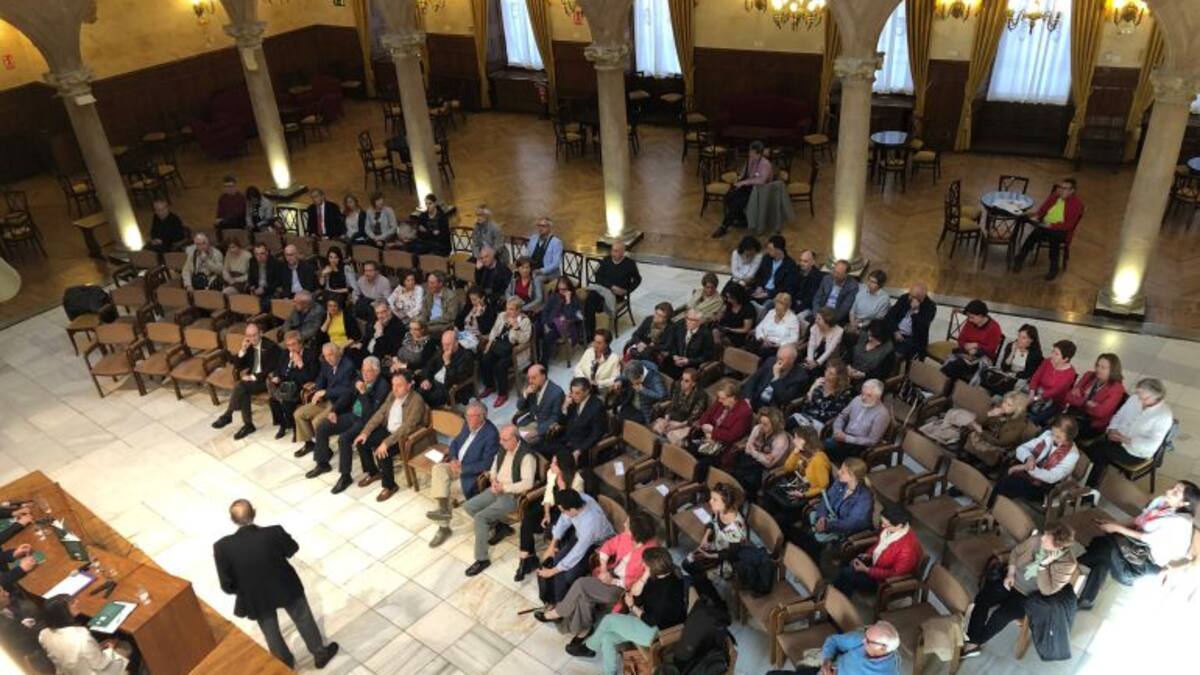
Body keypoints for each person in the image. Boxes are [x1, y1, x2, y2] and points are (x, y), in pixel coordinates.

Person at [213, 499, 338, 670]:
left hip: (255, 595)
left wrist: (245, 588)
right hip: (285, 585)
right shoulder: (274, 532)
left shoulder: (222, 547)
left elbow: (227, 584)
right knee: (302, 617)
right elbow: (292, 549)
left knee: (270, 631)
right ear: (254, 513)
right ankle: (320, 654)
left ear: (233, 520)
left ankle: (283, 664)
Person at [536, 512, 659, 646]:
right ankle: (584, 629)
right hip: (609, 574)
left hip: (621, 589)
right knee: (584, 597)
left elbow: (637, 583)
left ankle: (558, 612)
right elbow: (607, 547)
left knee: (581, 584)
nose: (624, 524)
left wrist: (612, 581)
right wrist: (604, 568)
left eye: (628, 524)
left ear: (636, 533)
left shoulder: (650, 553)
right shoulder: (626, 537)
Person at [1076, 481, 1198, 609]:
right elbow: (1139, 520)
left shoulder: (1179, 523)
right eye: (1173, 486)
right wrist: (1115, 524)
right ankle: (1086, 598)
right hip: (1133, 545)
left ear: (1184, 503)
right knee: (1103, 549)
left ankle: (1076, 565)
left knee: (1105, 547)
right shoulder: (1162, 501)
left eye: (1176, 492)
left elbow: (1145, 538)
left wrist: (1117, 528)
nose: (1170, 490)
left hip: (1141, 562)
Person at [961, 525, 1078, 659]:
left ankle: (975, 641)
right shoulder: (1036, 540)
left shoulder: (1067, 564)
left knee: (1001, 616)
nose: (1042, 538)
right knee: (983, 598)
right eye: (1044, 534)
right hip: (1012, 580)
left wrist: (1043, 566)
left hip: (1029, 596)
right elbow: (1016, 552)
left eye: (1047, 538)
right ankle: (972, 640)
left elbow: (1047, 590)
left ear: (1057, 546)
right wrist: (1010, 574)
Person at [583, 547, 688, 671]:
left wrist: (632, 606)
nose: (642, 564)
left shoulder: (666, 594)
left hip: (656, 632)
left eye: (645, 563)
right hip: (649, 621)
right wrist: (645, 576)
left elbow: (651, 620)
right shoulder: (659, 576)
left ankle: (588, 647)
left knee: (608, 620)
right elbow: (636, 593)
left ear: (652, 567)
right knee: (607, 638)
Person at [463, 424, 540, 576]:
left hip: (512, 496)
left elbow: (527, 483)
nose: (501, 442)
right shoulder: (503, 449)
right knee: (469, 506)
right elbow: (494, 468)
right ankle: (500, 527)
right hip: (496, 489)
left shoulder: (527, 456)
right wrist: (493, 480)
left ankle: (482, 559)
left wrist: (504, 488)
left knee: (480, 517)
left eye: (504, 440)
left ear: (515, 439)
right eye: (500, 439)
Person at [425, 402, 501, 546]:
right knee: (438, 470)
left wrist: (463, 469)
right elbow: (455, 443)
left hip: (471, 474)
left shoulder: (491, 434)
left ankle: (443, 526)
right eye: (467, 416)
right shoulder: (467, 425)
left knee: (443, 487)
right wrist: (453, 459)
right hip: (457, 465)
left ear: (482, 416)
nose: (468, 419)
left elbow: (486, 464)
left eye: (472, 417)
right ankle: (443, 512)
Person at [353, 371, 429, 501]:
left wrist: (386, 443)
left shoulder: (416, 401)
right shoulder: (392, 395)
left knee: (383, 452)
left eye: (399, 385)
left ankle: (390, 486)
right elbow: (380, 414)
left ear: (409, 385)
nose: (395, 388)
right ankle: (374, 473)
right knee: (362, 443)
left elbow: (408, 427)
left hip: (404, 437)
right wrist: (365, 432)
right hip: (388, 430)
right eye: (393, 385)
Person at [1084, 377, 1174, 487]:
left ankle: (1090, 485)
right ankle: (1090, 481)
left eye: (1143, 397)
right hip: (1118, 438)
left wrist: (1125, 439)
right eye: (1138, 394)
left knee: (1099, 451)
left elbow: (1151, 445)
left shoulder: (1164, 416)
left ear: (1156, 397)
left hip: (1135, 451)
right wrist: (1112, 429)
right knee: (1096, 448)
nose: (1139, 399)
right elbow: (1119, 415)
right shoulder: (1135, 398)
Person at [318, 356, 390, 490]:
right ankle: (322, 463)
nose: (364, 374)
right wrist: (334, 410)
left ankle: (345, 476)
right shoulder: (361, 379)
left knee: (343, 439)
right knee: (323, 426)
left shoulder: (383, 386)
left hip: (365, 421)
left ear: (377, 371)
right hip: (352, 415)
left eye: (368, 371)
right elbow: (347, 395)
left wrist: (363, 392)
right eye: (363, 370)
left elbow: (372, 413)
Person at [535, 490, 616, 608]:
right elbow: (563, 520)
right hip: (580, 536)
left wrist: (552, 571)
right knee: (556, 561)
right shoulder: (578, 499)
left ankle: (560, 605)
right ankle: (555, 600)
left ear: (572, 510)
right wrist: (552, 546)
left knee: (566, 574)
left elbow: (577, 553)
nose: (562, 513)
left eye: (564, 511)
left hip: (597, 545)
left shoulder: (590, 525)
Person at [515, 452, 586, 576]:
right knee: (528, 518)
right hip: (552, 506)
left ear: (562, 467)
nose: (551, 466)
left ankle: (547, 556)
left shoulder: (577, 480)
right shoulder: (552, 473)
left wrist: (563, 487)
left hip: (566, 512)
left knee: (552, 527)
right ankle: (525, 557)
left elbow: (570, 507)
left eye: (554, 463)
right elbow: (548, 494)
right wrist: (546, 513)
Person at [833, 504, 922, 597]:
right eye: (882, 522)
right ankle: (837, 592)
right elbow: (879, 545)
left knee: (848, 574)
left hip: (883, 581)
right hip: (877, 564)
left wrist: (867, 570)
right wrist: (868, 554)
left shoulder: (907, 549)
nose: (882, 526)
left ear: (899, 525)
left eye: (886, 524)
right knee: (848, 563)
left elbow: (894, 574)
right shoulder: (891, 529)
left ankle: (838, 598)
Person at [991, 416, 1080, 507]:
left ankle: (992, 506)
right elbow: (1022, 448)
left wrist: (1026, 467)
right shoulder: (1048, 434)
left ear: (1069, 439)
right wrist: (1029, 458)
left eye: (1058, 437)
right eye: (1053, 433)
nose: (1053, 438)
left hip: (1042, 485)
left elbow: (1051, 477)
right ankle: (994, 504)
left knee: (1011, 482)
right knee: (1006, 467)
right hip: (1030, 470)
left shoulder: (1072, 455)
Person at [212, 323, 282, 439]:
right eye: (249, 336)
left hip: (266, 381)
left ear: (261, 333)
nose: (252, 338)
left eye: (254, 335)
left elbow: (272, 369)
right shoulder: (249, 346)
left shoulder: (271, 347)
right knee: (243, 389)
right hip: (251, 380)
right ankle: (248, 425)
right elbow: (238, 366)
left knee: (241, 386)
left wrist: (253, 377)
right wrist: (243, 350)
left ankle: (229, 415)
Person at [794, 458, 874, 559]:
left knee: (812, 543)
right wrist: (822, 517)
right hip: (832, 520)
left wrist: (827, 526)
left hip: (848, 532)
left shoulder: (864, 498)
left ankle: (809, 564)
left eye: (843, 471)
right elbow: (826, 499)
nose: (838, 472)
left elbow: (851, 524)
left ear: (853, 476)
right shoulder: (840, 483)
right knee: (804, 534)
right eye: (840, 468)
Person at [37, 595, 130, 675]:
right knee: (126, 646)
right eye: (72, 603)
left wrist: (98, 647)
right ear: (63, 613)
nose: (77, 602)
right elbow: (100, 664)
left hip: (69, 671)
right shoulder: (81, 637)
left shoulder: (43, 634)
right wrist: (110, 649)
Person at [293, 342, 357, 457]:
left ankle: (324, 450)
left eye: (331, 354)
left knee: (317, 421)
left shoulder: (348, 366)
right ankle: (309, 444)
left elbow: (347, 390)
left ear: (338, 353)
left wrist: (326, 392)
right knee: (299, 414)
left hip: (339, 403)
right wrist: (318, 392)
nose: (328, 358)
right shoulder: (325, 364)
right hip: (325, 400)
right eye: (325, 356)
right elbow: (320, 379)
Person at [682, 483, 747, 597]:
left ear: (725, 503)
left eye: (714, 499)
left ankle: (713, 598)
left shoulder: (736, 528)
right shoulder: (720, 511)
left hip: (727, 561)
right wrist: (705, 537)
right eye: (711, 498)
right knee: (687, 563)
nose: (710, 501)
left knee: (695, 574)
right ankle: (703, 588)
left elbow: (732, 555)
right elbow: (712, 522)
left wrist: (708, 556)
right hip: (716, 547)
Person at [765, 621, 901, 675]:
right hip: (823, 669)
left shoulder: (887, 672)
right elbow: (834, 640)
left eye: (869, 640)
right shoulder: (861, 640)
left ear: (883, 648)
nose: (863, 640)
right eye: (866, 635)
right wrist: (826, 660)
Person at [1014, 178, 1084, 281]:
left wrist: (1051, 226)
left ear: (1072, 191)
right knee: (1032, 230)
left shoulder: (1076, 204)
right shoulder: (1055, 196)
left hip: (1061, 231)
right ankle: (1020, 258)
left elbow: (1069, 225)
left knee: (1052, 237)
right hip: (1045, 225)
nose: (1061, 190)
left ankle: (1053, 268)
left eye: (1065, 188)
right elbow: (1043, 209)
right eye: (1060, 187)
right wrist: (1037, 216)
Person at [761, 426, 832, 524]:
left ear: (807, 441)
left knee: (781, 517)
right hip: (796, 484)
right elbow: (788, 468)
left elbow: (823, 487)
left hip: (808, 493)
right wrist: (795, 453)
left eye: (797, 438)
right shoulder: (801, 452)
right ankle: (765, 521)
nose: (794, 441)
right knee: (769, 495)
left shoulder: (819, 460)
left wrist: (804, 494)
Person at [478, 296, 533, 407]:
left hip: (513, 351)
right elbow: (494, 330)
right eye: (508, 308)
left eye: (512, 309)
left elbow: (525, 340)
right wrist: (490, 342)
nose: (509, 311)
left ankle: (502, 394)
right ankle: (490, 386)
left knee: (500, 366)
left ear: (518, 310)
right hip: (499, 346)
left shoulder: (525, 321)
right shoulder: (502, 316)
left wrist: (516, 328)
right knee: (484, 359)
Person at [714, 140, 773, 236]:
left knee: (737, 203)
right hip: (748, 186)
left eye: (752, 152)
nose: (749, 154)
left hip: (758, 191)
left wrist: (744, 183)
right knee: (729, 197)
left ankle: (724, 226)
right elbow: (745, 173)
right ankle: (743, 220)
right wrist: (739, 180)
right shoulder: (750, 160)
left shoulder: (765, 164)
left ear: (759, 154)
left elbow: (761, 181)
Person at [730, 406, 791, 499]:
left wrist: (754, 452)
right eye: (760, 422)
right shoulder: (757, 428)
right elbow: (747, 449)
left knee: (749, 480)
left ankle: (746, 500)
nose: (761, 426)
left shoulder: (781, 440)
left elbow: (768, 464)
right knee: (736, 470)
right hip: (750, 459)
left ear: (774, 425)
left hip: (764, 469)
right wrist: (759, 455)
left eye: (765, 424)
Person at [266, 331, 318, 439]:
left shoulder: (310, 354)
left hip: (300, 385)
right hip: (285, 383)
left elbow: (311, 377)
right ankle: (283, 425)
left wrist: (300, 364)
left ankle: (295, 428)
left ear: (300, 343)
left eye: (293, 344)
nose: (291, 348)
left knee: (287, 401)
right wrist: (277, 376)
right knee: (273, 401)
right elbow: (278, 369)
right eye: (288, 345)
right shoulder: (285, 353)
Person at [1062, 353, 1125, 441]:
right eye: (1097, 365)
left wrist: (1079, 400)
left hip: (1091, 423)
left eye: (1103, 367)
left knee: (1063, 431)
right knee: (1057, 427)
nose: (1098, 369)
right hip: (1075, 414)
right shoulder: (1089, 375)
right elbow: (1068, 396)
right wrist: (1087, 403)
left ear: (1112, 370)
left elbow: (1101, 413)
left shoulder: (1117, 388)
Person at [962, 391, 1032, 469]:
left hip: (1000, 445)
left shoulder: (1019, 424)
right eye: (1004, 402)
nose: (1004, 405)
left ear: (1018, 409)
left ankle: (982, 463)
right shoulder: (1001, 409)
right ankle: (970, 456)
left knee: (978, 463)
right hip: (990, 434)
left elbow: (1001, 442)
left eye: (1009, 405)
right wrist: (989, 414)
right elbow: (980, 422)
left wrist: (981, 432)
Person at [691, 382, 753, 470]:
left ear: (733, 398)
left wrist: (713, 432)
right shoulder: (721, 402)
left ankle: (697, 480)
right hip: (708, 439)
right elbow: (705, 417)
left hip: (724, 447)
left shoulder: (744, 412)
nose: (719, 400)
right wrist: (707, 433)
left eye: (722, 398)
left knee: (701, 465)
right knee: (688, 448)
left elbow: (731, 436)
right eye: (719, 398)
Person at [583, 241, 641, 336]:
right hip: (603, 290)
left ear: (623, 252)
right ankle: (589, 331)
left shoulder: (629, 264)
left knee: (591, 302)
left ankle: (591, 331)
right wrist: (610, 286)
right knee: (590, 298)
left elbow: (637, 280)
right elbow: (598, 277)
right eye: (612, 250)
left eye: (616, 251)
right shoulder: (606, 260)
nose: (613, 253)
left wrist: (627, 291)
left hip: (617, 295)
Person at [939, 299, 1004, 384]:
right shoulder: (970, 323)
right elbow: (961, 339)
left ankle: (940, 386)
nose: (969, 320)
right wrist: (966, 346)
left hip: (982, 358)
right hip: (965, 354)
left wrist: (977, 345)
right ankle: (944, 387)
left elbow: (991, 350)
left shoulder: (994, 328)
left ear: (981, 315)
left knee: (954, 367)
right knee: (954, 366)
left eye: (972, 317)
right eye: (969, 317)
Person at [827, 379, 890, 464]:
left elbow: (872, 441)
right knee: (825, 445)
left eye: (869, 395)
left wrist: (847, 439)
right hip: (844, 434)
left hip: (859, 445)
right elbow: (842, 416)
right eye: (862, 393)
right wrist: (837, 430)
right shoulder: (857, 399)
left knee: (828, 447)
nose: (863, 398)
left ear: (878, 397)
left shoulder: (882, 414)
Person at [550, 376, 609, 463]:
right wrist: (564, 408)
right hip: (566, 439)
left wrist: (580, 450)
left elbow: (596, 434)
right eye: (572, 392)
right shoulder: (573, 401)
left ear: (587, 391)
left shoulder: (597, 407)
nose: (573, 396)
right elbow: (563, 422)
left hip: (581, 446)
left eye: (577, 393)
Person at [790, 360, 855, 432]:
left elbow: (834, 413)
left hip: (819, 423)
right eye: (827, 371)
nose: (826, 374)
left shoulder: (844, 393)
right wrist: (812, 388)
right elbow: (806, 404)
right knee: (789, 422)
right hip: (805, 417)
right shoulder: (819, 384)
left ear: (839, 377)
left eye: (831, 373)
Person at [652, 367, 709, 446]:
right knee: (658, 428)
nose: (682, 382)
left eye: (686, 381)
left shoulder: (701, 396)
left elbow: (692, 418)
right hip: (673, 418)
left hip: (684, 424)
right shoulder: (677, 385)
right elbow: (672, 404)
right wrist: (666, 420)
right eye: (682, 379)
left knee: (672, 438)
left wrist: (674, 427)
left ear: (694, 383)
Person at [742, 343, 808, 410]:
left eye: (781, 359)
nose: (778, 362)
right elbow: (753, 380)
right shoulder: (770, 361)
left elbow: (784, 399)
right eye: (777, 358)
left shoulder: (799, 376)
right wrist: (747, 398)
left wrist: (776, 377)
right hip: (756, 399)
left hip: (772, 408)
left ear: (791, 361)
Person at [418, 329, 475, 408]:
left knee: (426, 401)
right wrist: (427, 379)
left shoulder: (466, 356)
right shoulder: (441, 350)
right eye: (443, 344)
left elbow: (456, 379)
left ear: (456, 343)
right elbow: (430, 365)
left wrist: (447, 363)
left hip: (449, 388)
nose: (445, 348)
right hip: (435, 382)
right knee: (418, 394)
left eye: (448, 344)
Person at [981, 323, 1043, 395]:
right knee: (986, 373)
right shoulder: (1011, 346)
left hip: (1017, 379)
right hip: (1005, 375)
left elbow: (1027, 374)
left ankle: (994, 395)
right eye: (1019, 336)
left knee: (1005, 384)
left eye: (1024, 338)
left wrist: (1012, 375)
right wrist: (1012, 352)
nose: (1019, 340)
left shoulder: (1035, 354)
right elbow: (1004, 367)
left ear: (1031, 340)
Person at [1028, 340, 1078, 424]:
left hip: (1054, 401)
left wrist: (1034, 398)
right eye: (1053, 352)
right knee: (1016, 403)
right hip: (1037, 392)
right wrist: (1032, 392)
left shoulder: (1070, 373)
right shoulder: (1047, 361)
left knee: (1032, 418)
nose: (1052, 355)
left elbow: (1055, 391)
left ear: (1066, 359)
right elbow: (1036, 377)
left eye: (1056, 354)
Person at [514, 364, 566, 444]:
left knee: (521, 443)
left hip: (544, 428)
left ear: (543, 376)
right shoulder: (531, 388)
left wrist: (538, 431)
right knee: (509, 435)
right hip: (530, 422)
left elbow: (555, 418)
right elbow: (520, 407)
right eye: (529, 378)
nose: (530, 381)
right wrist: (525, 394)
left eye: (534, 378)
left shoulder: (556, 392)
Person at [885, 282, 936, 361]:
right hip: (896, 331)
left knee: (896, 354)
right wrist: (895, 331)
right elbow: (890, 315)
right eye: (910, 294)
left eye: (912, 296)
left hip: (912, 337)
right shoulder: (905, 298)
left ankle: (894, 367)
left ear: (921, 298)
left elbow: (922, 328)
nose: (909, 297)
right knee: (879, 340)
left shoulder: (930, 306)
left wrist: (915, 312)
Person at [659, 309, 716, 379]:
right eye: (687, 319)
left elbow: (707, 356)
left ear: (700, 322)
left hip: (692, 364)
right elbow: (673, 343)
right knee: (662, 369)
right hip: (676, 359)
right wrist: (674, 355)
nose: (689, 322)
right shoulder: (680, 326)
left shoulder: (706, 335)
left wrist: (689, 361)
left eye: (693, 320)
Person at [538, 276, 584, 361]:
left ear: (569, 288)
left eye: (564, 289)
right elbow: (546, 310)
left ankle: (543, 362)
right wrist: (545, 323)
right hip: (549, 322)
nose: (561, 292)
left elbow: (571, 316)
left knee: (548, 338)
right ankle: (535, 359)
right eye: (560, 289)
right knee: (535, 329)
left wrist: (568, 301)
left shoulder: (574, 300)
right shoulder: (554, 296)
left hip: (563, 326)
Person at [609, 360, 667, 425]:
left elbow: (662, 395)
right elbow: (625, 375)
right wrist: (619, 380)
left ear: (640, 376)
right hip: (631, 402)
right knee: (620, 415)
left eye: (633, 381)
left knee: (628, 422)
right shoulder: (636, 367)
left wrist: (643, 390)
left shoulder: (654, 378)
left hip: (643, 410)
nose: (632, 382)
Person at [750, 235, 798, 305]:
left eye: (770, 249)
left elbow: (787, 287)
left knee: (766, 304)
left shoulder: (790, 265)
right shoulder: (766, 258)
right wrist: (759, 286)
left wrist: (769, 294)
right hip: (762, 289)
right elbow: (759, 275)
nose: (768, 251)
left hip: (775, 295)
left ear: (778, 250)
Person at [754, 292, 802, 357]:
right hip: (763, 341)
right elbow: (759, 327)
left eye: (780, 309)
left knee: (763, 353)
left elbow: (794, 339)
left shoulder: (793, 319)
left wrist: (779, 344)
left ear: (787, 307)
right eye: (776, 306)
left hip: (778, 347)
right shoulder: (771, 312)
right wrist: (762, 338)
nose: (777, 310)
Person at [812, 259, 859, 324]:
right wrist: (816, 315)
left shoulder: (852, 286)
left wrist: (828, 321)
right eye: (834, 271)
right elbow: (817, 298)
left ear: (846, 274)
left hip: (835, 317)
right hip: (821, 312)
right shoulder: (827, 279)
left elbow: (844, 309)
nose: (835, 275)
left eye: (838, 274)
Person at [456, 285, 497, 352]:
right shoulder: (469, 306)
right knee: (448, 340)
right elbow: (460, 317)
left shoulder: (489, 311)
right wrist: (456, 327)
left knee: (459, 347)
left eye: (475, 299)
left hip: (476, 337)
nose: (472, 302)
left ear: (482, 298)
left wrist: (479, 316)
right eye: (471, 299)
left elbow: (484, 330)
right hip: (464, 333)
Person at [848, 269, 890, 333]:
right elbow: (852, 310)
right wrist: (852, 323)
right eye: (869, 280)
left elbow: (876, 320)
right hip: (853, 321)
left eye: (873, 282)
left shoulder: (884, 299)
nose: (869, 284)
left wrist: (859, 325)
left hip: (868, 328)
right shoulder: (862, 289)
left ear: (880, 285)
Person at [805, 307, 844, 376]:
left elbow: (829, 350)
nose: (815, 320)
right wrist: (810, 359)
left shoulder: (839, 331)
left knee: (816, 372)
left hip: (830, 359)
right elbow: (811, 345)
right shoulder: (814, 327)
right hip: (816, 354)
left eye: (819, 319)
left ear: (827, 321)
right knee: (807, 369)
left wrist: (817, 363)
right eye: (816, 318)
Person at [717, 284, 757, 348]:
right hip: (727, 329)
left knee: (724, 340)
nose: (728, 300)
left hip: (739, 334)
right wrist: (720, 315)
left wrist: (731, 329)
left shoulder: (748, 308)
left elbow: (746, 329)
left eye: (730, 298)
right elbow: (723, 317)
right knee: (712, 333)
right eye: (728, 297)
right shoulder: (729, 304)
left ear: (737, 297)